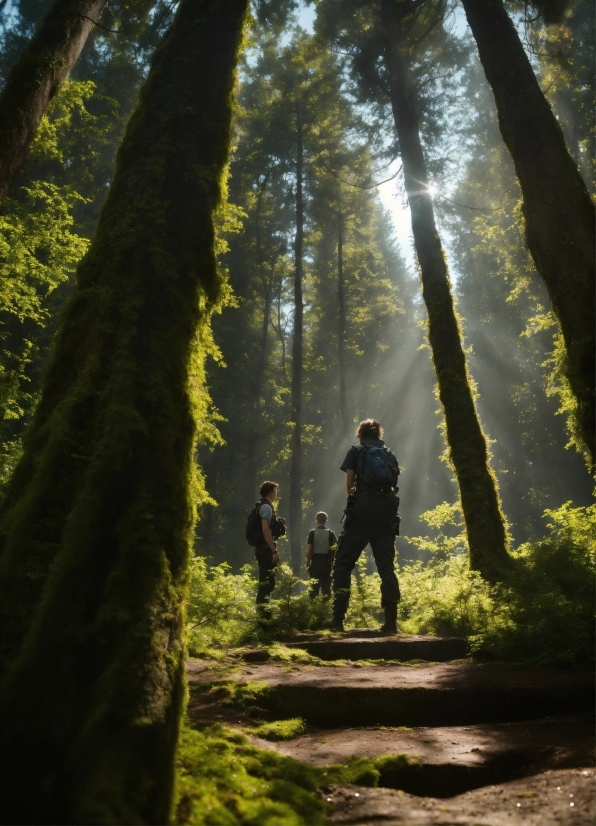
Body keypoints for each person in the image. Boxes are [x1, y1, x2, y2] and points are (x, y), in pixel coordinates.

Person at [329, 418, 401, 634]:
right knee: (387, 569)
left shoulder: (356, 451)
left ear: (360, 433)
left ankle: (338, 620)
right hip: (386, 516)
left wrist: (355, 502)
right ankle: (390, 623)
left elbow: (350, 485)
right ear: (379, 433)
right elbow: (394, 483)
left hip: (361, 515)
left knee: (342, 564)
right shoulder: (389, 453)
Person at [254, 480, 280, 620]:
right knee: (266, 584)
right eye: (275, 492)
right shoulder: (266, 508)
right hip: (265, 550)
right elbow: (265, 531)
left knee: (266, 583)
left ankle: (264, 618)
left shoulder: (260, 506)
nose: (276, 494)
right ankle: (264, 620)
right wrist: (273, 551)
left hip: (262, 549)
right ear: (269, 492)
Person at [305, 512, 337, 599]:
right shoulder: (331, 533)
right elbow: (335, 550)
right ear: (326, 520)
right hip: (327, 563)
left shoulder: (312, 533)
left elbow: (308, 551)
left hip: (315, 562)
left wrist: (308, 564)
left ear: (316, 520)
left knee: (313, 589)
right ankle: (325, 609)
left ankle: (313, 608)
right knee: (326, 589)